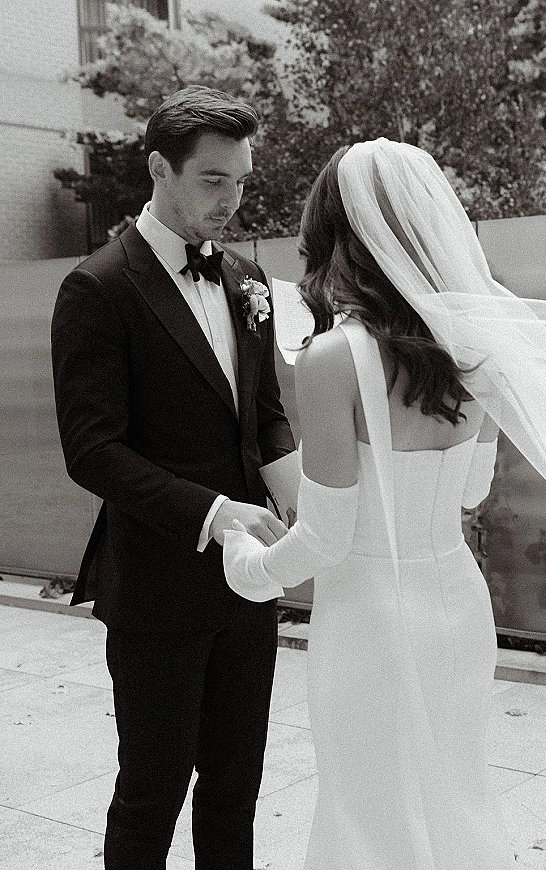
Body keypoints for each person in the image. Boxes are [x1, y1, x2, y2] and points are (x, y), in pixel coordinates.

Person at [223, 139, 546, 869]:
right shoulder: (468, 349)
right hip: (458, 608)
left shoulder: (332, 359)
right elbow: (474, 493)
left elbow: (324, 539)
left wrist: (245, 560)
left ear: (334, 234)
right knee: (455, 799)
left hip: (370, 623)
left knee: (366, 815)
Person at [51, 85, 296, 870]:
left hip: (250, 588)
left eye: (243, 180)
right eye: (214, 180)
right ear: (160, 167)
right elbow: (92, 450)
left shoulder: (249, 279)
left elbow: (263, 415)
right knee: (152, 790)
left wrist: (300, 494)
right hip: (157, 587)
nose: (232, 199)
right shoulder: (98, 287)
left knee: (236, 789)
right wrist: (218, 512)